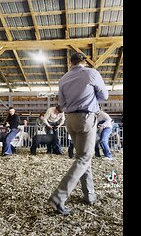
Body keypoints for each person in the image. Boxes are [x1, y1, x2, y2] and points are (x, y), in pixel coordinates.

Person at [47, 52, 108, 215]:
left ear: (70, 62)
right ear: (84, 61)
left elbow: (62, 104)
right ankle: (58, 197)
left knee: (82, 157)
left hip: (70, 119)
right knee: (83, 158)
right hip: (86, 118)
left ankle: (90, 196)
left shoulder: (63, 79)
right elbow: (104, 95)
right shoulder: (91, 73)